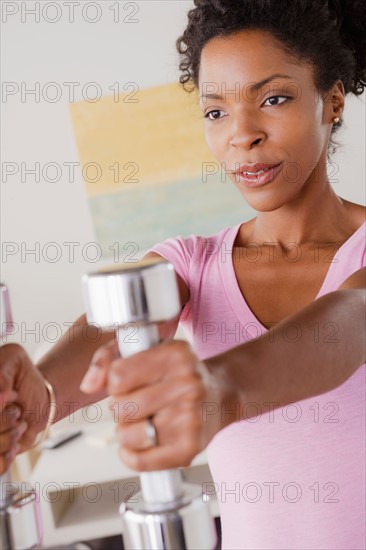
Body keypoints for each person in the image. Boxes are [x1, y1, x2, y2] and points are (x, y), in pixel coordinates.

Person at [1, 0, 365, 548]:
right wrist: (39, 398)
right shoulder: (191, 265)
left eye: (273, 98)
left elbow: (348, 324)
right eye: (215, 112)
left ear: (331, 100)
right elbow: (120, 321)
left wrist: (221, 387)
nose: (242, 135)